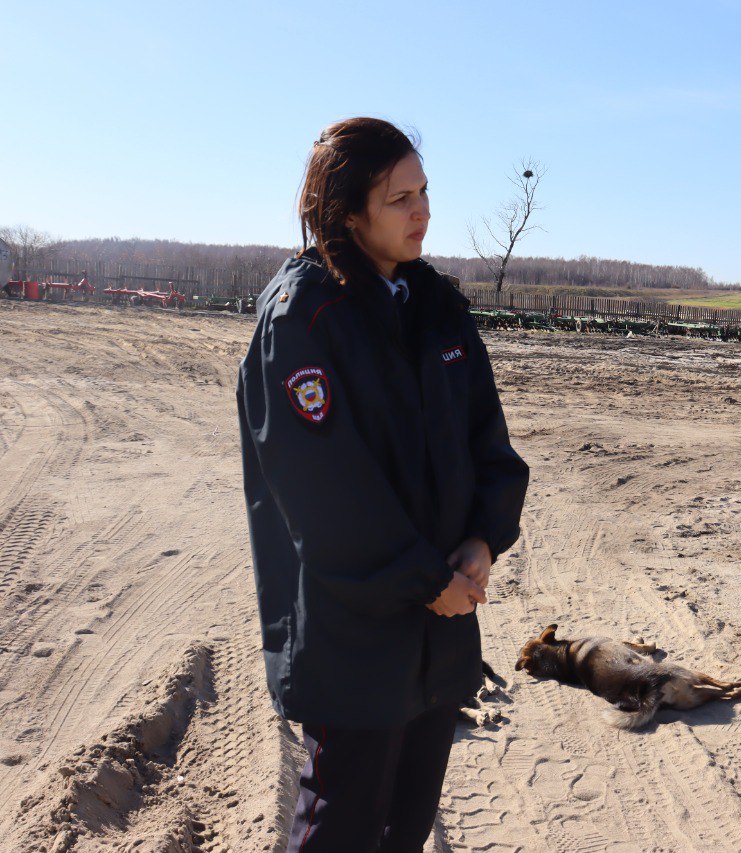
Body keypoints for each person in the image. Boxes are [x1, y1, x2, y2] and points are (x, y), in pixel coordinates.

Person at [237, 117, 529, 852]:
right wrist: (426, 577)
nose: (422, 211)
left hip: (440, 622)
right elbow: (325, 491)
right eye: (399, 198)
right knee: (343, 826)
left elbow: (489, 445)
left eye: (424, 191)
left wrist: (482, 542)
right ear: (348, 212)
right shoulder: (306, 315)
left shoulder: (435, 306)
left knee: (404, 825)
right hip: (355, 631)